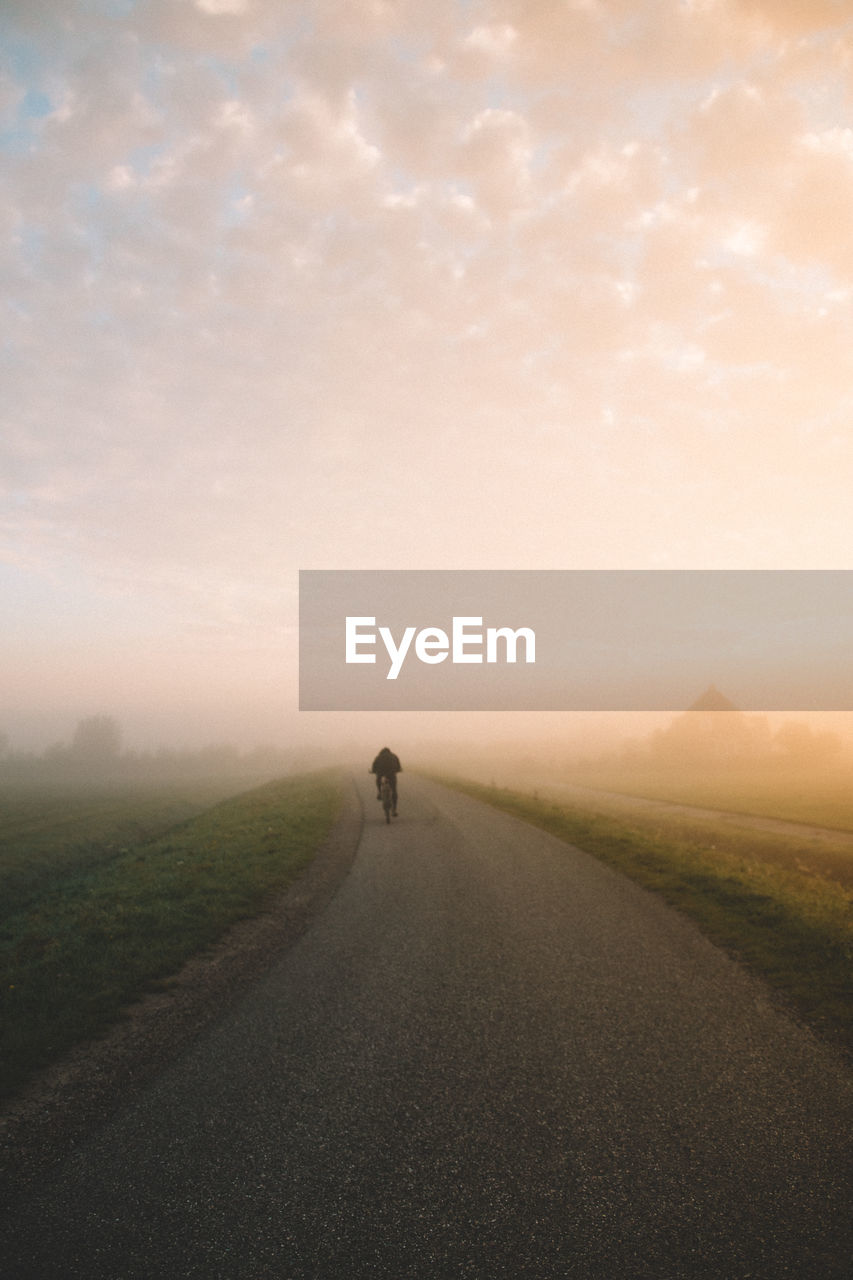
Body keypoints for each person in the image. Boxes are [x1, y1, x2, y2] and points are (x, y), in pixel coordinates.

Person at [370, 746, 401, 815]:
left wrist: (373, 771)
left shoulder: (378, 757)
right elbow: (398, 767)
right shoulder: (394, 756)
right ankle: (394, 809)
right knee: (394, 790)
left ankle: (379, 792)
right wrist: (398, 770)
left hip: (381, 774)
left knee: (378, 779)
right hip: (391, 774)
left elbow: (374, 767)